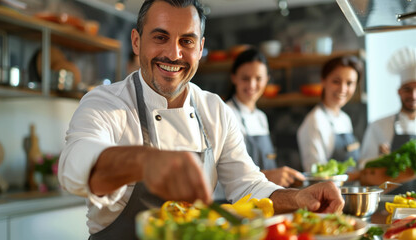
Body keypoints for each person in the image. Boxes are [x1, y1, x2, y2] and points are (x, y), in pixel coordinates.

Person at [58, 0, 344, 239]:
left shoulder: (214, 109)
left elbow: (248, 186)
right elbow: (74, 167)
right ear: (136, 41)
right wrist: (146, 162)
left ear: (200, 47)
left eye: (187, 41)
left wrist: (298, 198)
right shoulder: (105, 102)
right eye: (160, 37)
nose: (174, 53)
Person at [225, 47, 305, 187]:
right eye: (245, 78)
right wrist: (267, 176)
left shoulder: (260, 117)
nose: (252, 85)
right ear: (233, 77)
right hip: (236, 202)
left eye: (258, 78)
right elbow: (225, 172)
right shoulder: (225, 113)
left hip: (263, 198)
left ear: (267, 80)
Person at [297, 55, 363, 172]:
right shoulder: (315, 120)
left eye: (349, 83)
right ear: (323, 81)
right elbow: (316, 173)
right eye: (336, 81)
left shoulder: (344, 119)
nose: (343, 89)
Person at [359, 47, 416, 168]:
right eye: (407, 89)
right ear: (399, 92)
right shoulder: (378, 126)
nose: (413, 95)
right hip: (391, 187)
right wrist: (380, 160)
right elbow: (363, 166)